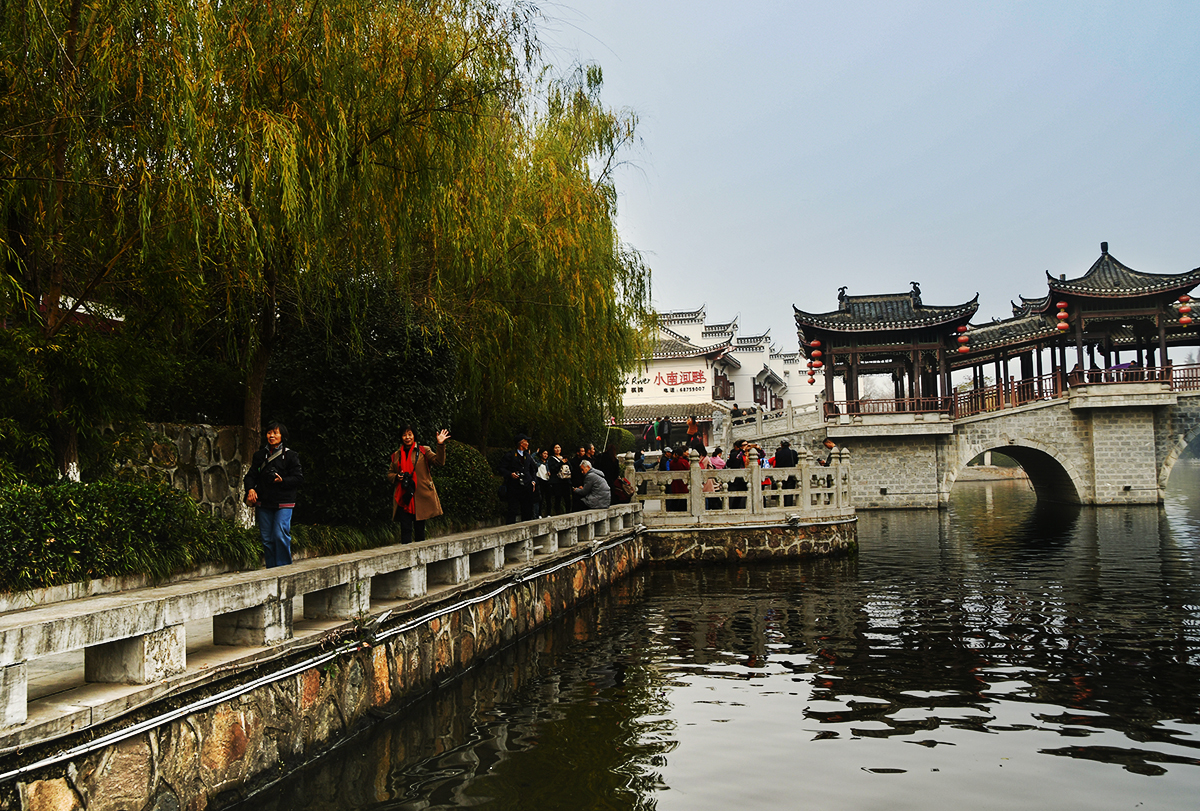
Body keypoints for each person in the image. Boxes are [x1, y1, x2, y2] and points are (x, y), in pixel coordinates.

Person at [244, 421, 303, 568]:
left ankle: (283, 569)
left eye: (275, 433)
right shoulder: (259, 456)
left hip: (284, 502)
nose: (272, 436)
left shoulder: (290, 456)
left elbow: (298, 478)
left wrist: (282, 480)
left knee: (279, 534)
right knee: (266, 539)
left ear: (282, 436)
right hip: (264, 502)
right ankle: (271, 569)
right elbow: (250, 475)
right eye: (270, 432)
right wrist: (250, 489)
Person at [388, 426, 450, 543]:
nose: (407, 437)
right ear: (401, 437)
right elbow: (390, 474)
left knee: (419, 531)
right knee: (405, 530)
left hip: (420, 496)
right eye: (404, 435)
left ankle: (420, 560)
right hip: (403, 496)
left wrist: (440, 445)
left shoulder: (423, 450)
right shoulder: (396, 455)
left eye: (410, 434)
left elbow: (439, 462)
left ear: (414, 436)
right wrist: (397, 476)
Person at [501, 434, 537, 523]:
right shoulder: (510, 455)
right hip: (514, 486)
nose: (528, 444)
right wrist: (510, 474)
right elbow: (501, 468)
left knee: (527, 509)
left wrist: (533, 481)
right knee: (512, 509)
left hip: (527, 485)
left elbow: (533, 469)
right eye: (526, 442)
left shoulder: (528, 456)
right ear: (521, 443)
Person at [548, 444, 573, 515]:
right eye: (556, 448)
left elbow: (571, 468)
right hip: (557, 481)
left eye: (559, 447)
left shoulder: (564, 458)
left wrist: (566, 461)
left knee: (567, 498)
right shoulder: (551, 459)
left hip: (566, 481)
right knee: (558, 497)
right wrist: (561, 463)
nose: (557, 449)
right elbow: (553, 469)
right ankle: (557, 512)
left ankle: (568, 512)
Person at [774, 439, 800, 507]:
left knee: (782, 490)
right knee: (790, 491)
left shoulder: (778, 453)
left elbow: (777, 464)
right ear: (789, 445)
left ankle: (782, 504)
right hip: (791, 474)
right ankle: (789, 505)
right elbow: (796, 462)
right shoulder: (793, 453)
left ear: (781, 445)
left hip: (781, 474)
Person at [535, 448, 551, 518]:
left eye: (547, 454)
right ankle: (539, 514)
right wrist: (536, 452)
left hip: (547, 480)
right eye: (544, 453)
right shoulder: (538, 462)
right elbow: (531, 457)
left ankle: (549, 513)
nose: (545, 455)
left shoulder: (548, 462)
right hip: (540, 480)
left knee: (548, 498)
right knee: (540, 498)